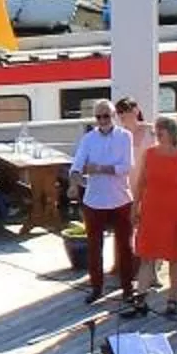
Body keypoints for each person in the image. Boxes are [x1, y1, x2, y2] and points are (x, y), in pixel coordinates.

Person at [68, 99, 136, 303]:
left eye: (106, 116)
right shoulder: (88, 139)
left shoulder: (125, 136)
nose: (102, 120)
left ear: (114, 116)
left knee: (125, 247)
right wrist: (74, 181)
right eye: (98, 117)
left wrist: (98, 169)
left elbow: (126, 166)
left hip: (120, 198)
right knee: (94, 247)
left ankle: (127, 288)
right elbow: (77, 165)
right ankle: (96, 288)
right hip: (95, 200)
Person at [130, 113, 177, 314]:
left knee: (174, 256)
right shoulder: (149, 153)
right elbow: (141, 182)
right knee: (146, 255)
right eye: (156, 129)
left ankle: (172, 299)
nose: (157, 133)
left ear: (171, 132)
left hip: (173, 209)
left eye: (161, 129)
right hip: (150, 208)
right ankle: (140, 300)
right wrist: (135, 207)